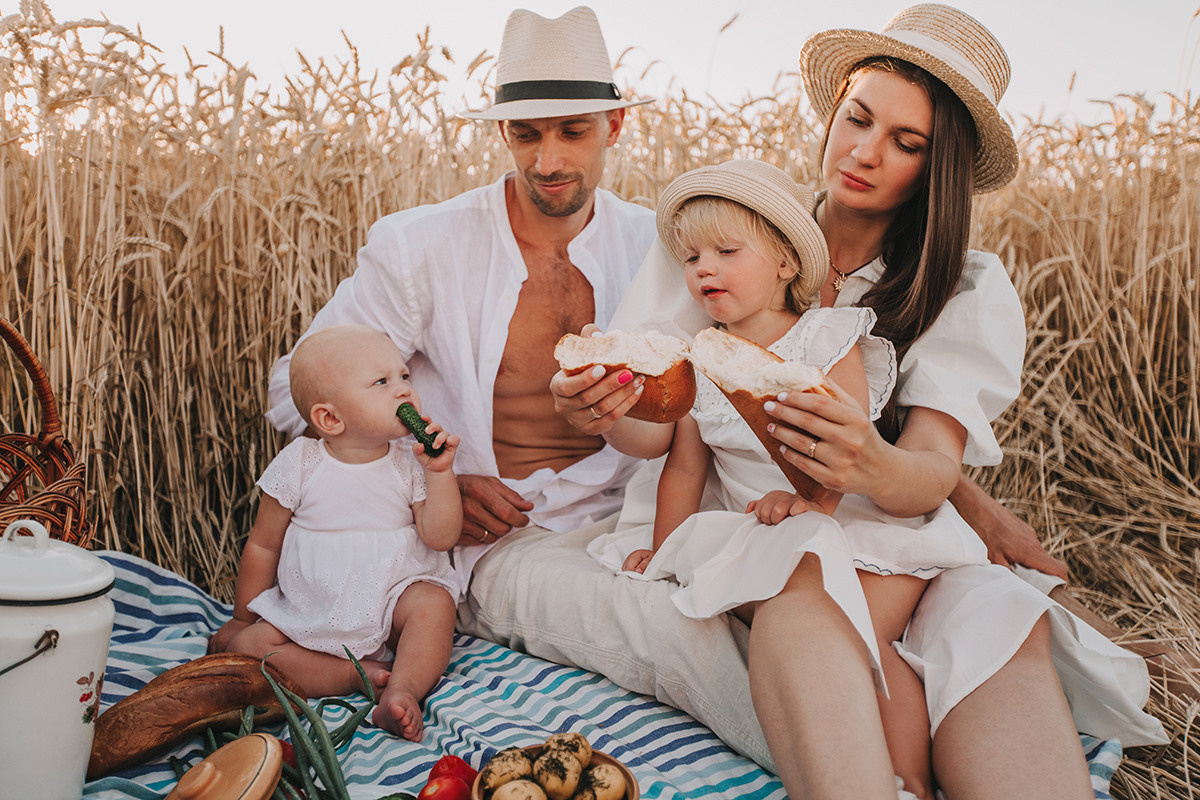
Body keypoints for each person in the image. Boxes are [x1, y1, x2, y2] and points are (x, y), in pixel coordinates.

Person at [469, 5, 1167, 799]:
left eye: (907, 144)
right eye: (858, 118)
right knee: (807, 583)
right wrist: (599, 407)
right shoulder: (729, 229)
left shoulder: (961, 286)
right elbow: (659, 428)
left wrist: (872, 463)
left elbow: (929, 474)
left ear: (940, 168)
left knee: (996, 624)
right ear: (835, 104)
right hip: (766, 533)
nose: (865, 153)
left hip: (895, 528)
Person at [585, 159, 995, 798]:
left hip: (856, 525)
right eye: (692, 257)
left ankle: (910, 779)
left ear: (784, 262)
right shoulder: (701, 360)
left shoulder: (826, 341)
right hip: (770, 532)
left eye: (726, 250)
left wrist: (813, 503)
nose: (704, 269)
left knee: (865, 642)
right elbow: (685, 466)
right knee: (805, 614)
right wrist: (663, 551)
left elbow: (849, 445)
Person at [254, 5, 658, 597]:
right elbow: (298, 389)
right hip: (499, 538)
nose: (546, 163)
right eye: (525, 134)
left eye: (573, 131)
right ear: (503, 132)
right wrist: (429, 481)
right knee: (648, 622)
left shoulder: (657, 245)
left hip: (637, 518)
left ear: (615, 125)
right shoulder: (421, 246)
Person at [212, 325, 462, 741]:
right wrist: (242, 618)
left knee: (434, 603)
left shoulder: (408, 463)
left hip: (390, 599)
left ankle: (403, 690)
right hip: (311, 608)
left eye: (404, 377)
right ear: (330, 418)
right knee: (248, 648)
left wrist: (441, 474)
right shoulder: (301, 464)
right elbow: (263, 543)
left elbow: (440, 537)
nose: (404, 391)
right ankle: (352, 675)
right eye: (382, 382)